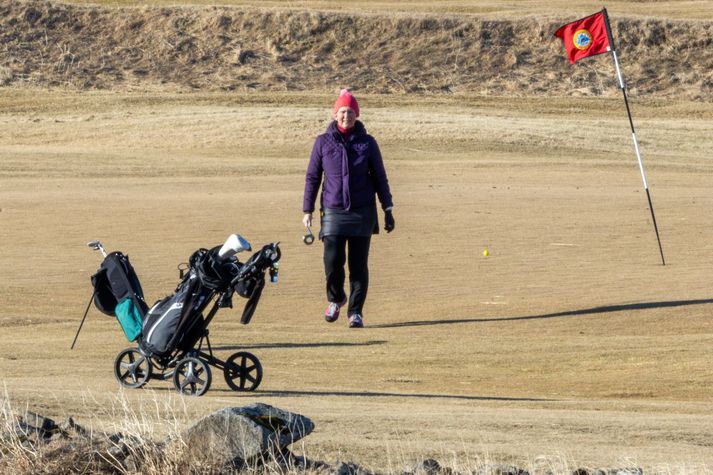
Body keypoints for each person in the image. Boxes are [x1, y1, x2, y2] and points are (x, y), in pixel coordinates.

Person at [302, 89, 395, 328]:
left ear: (357, 115)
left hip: (362, 211)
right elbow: (313, 177)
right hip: (333, 210)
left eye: (351, 112)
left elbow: (380, 177)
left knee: (358, 264)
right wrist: (307, 209)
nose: (347, 116)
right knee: (332, 261)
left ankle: (355, 312)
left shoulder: (368, 142)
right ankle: (336, 299)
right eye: (343, 111)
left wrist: (388, 208)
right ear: (335, 114)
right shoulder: (323, 142)